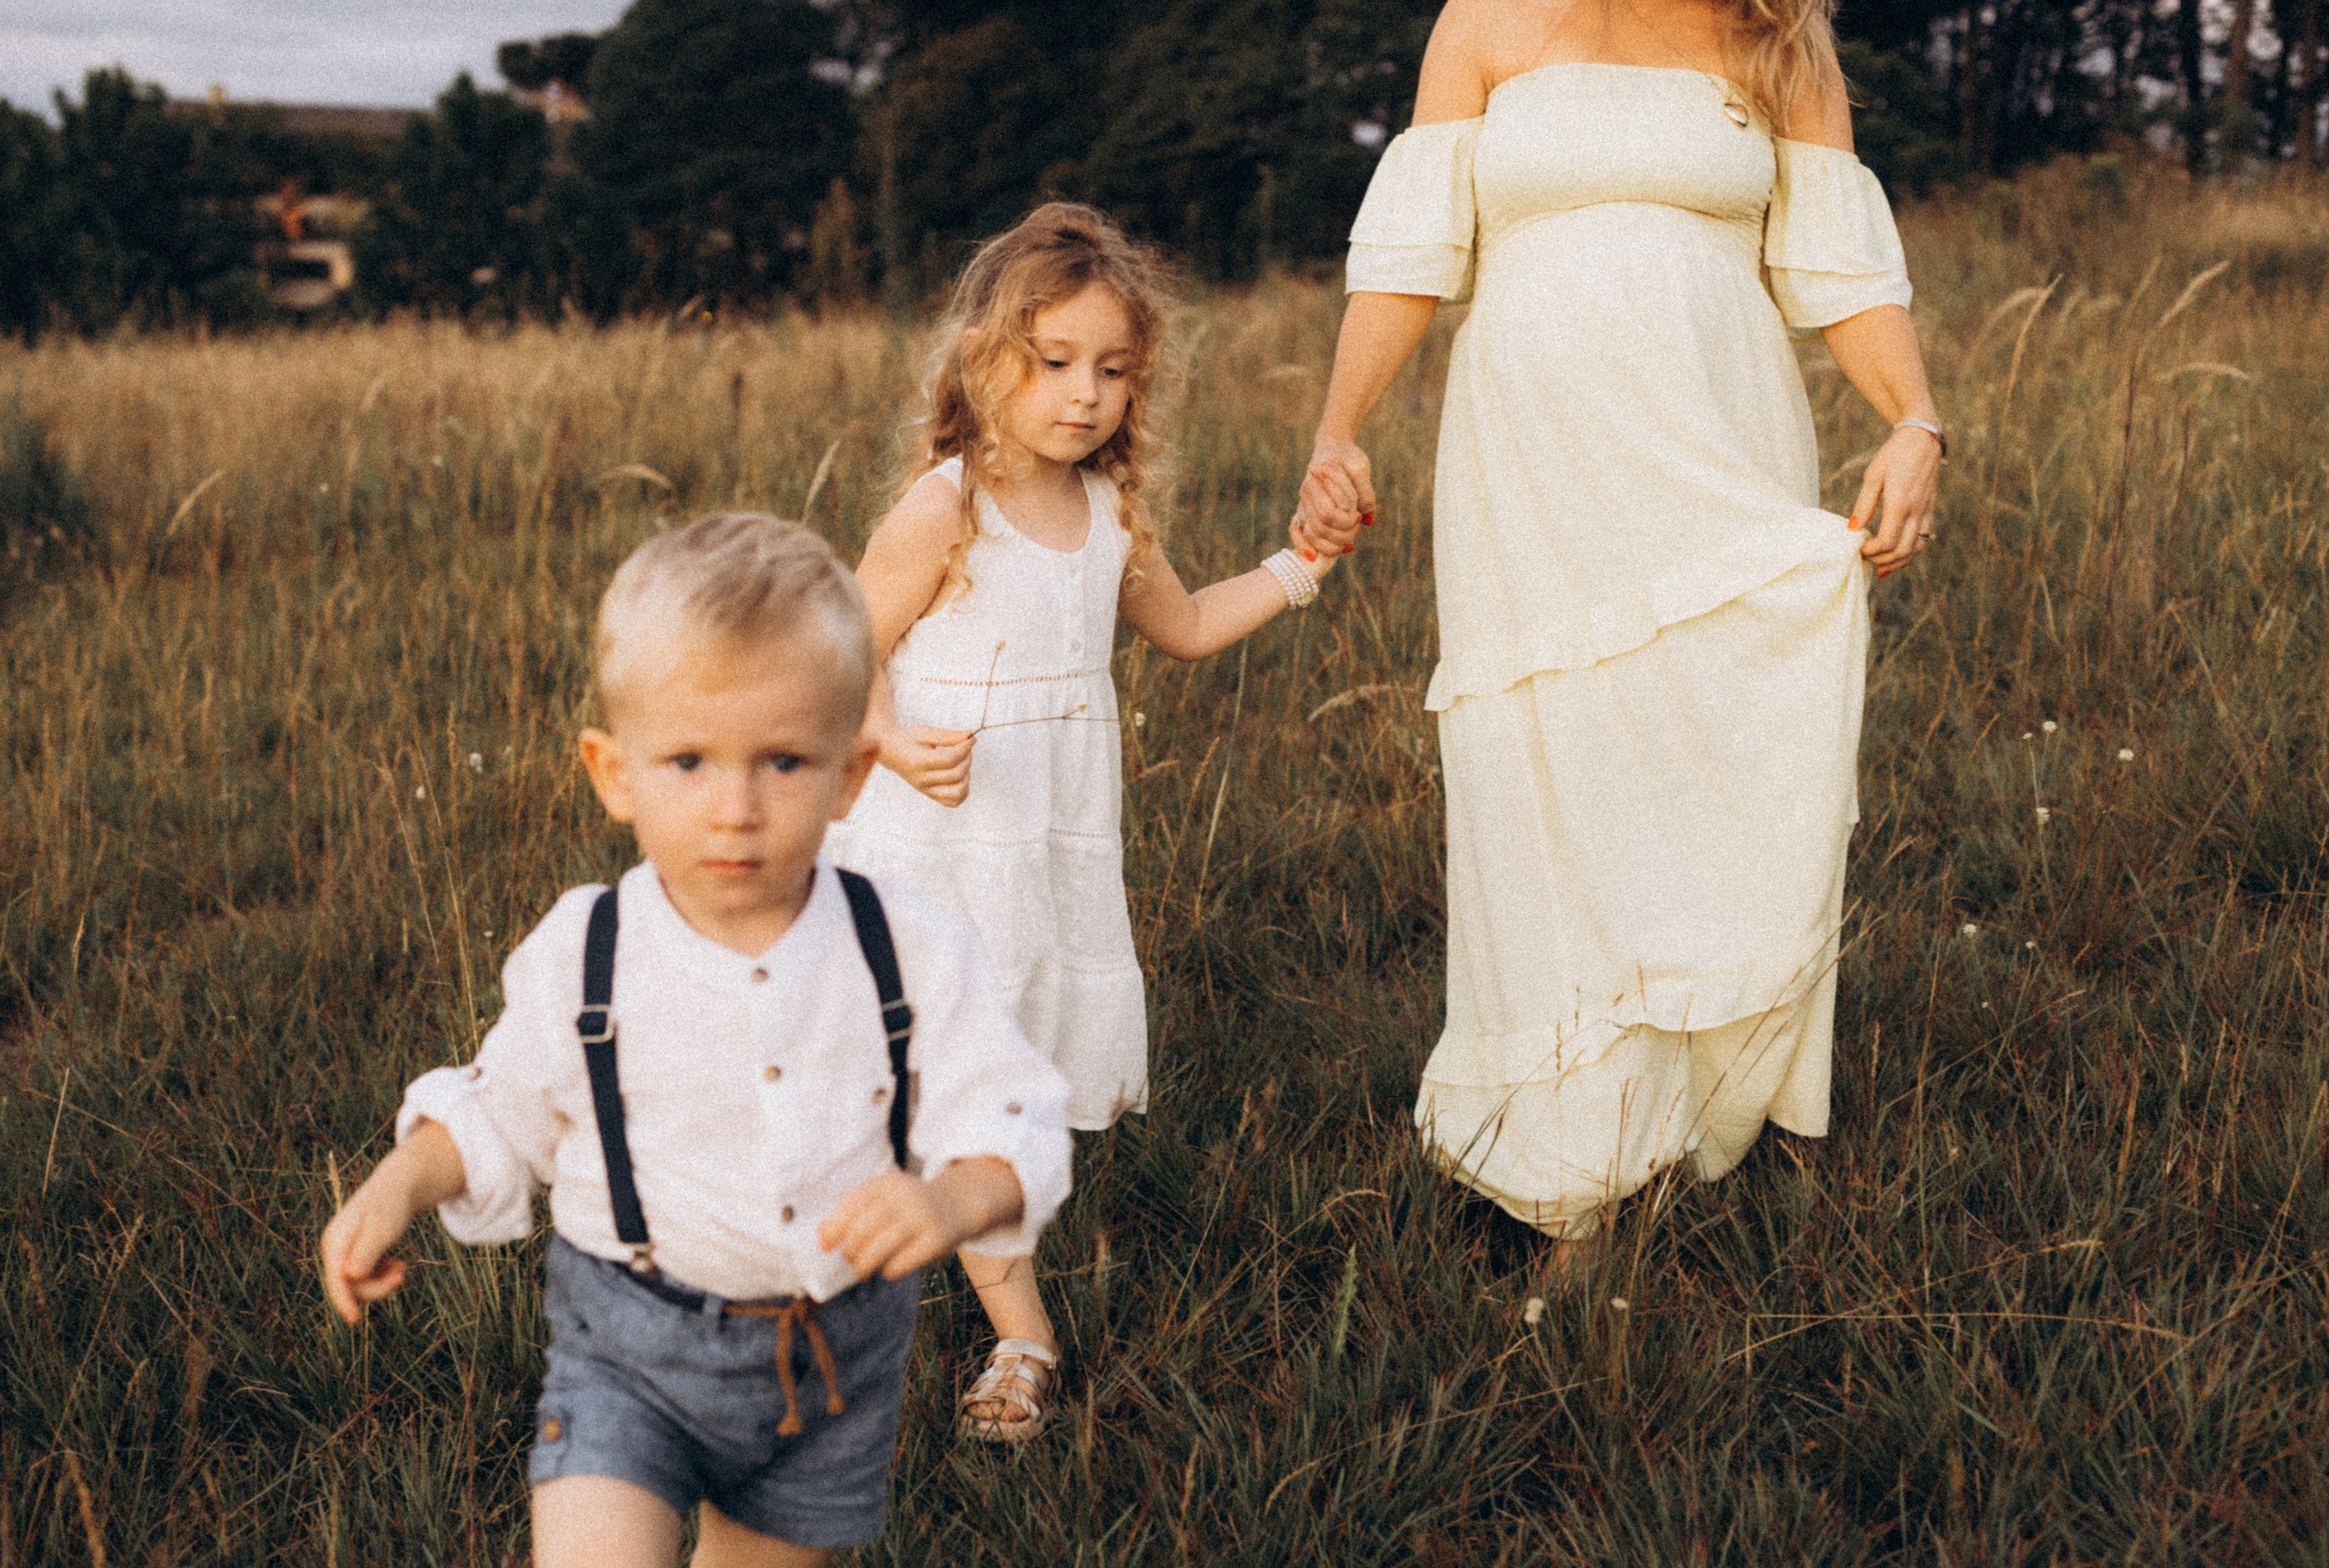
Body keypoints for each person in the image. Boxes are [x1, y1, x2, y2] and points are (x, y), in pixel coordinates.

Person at [1295, 0, 1942, 1270]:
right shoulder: (1485, 21)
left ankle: (1689, 1102)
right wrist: (1338, 427)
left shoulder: (1781, 38)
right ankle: (1567, 1168)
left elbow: (1843, 272)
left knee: (1700, 760)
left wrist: (1918, 419)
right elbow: (1411, 252)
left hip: (1719, 435)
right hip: (1533, 460)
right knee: (1549, 766)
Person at [318, 513, 1074, 1567]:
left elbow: (1012, 1113)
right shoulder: (589, 948)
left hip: (826, 1361)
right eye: (686, 761)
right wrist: (398, 1183)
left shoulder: (904, 946)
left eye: (782, 761)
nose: (736, 809)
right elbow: (499, 1107)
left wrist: (950, 1198)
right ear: (612, 770)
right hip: (627, 1348)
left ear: (853, 773)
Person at [827, 202, 1357, 1438]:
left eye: (1112, 370)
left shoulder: (1110, 514)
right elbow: (846, 643)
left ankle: (910, 1253)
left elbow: (1180, 626)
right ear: (984, 361)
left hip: (1049, 852)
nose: (1084, 395)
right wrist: (892, 739)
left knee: (989, 1076)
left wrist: (1300, 568)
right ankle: (1019, 1331)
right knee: (943, 1076)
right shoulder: (947, 503)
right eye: (1053, 361)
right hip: (936, 845)